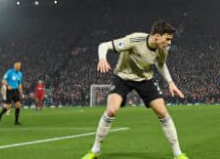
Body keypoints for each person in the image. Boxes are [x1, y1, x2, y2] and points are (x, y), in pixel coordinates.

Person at [81, 21, 189, 159]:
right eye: (167, 39)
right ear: (157, 36)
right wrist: (102, 59)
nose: (169, 43)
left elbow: (161, 64)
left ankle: (178, 153)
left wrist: (170, 82)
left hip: (145, 79)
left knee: (162, 112)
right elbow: (104, 45)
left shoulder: (163, 49)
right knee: (111, 110)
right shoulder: (135, 39)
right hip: (122, 78)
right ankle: (95, 150)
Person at [0, 61, 23, 126]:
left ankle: (16, 121)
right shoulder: (9, 72)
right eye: (17, 66)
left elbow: (19, 84)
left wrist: (21, 93)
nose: (19, 67)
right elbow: (3, 80)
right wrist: (8, 85)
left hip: (16, 91)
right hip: (10, 91)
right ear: (14, 66)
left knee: (18, 105)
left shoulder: (20, 73)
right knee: (8, 106)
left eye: (19, 66)